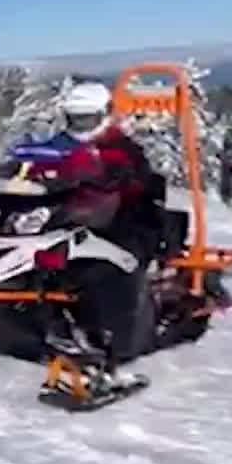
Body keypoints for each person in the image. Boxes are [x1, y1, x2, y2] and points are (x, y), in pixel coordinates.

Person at [52, 81, 162, 367]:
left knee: (106, 268)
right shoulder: (60, 143)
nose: (79, 125)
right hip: (73, 219)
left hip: (123, 222)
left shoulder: (122, 148)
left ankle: (113, 340)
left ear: (104, 115)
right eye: (74, 118)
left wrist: (116, 182)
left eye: (86, 118)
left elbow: (138, 184)